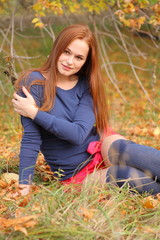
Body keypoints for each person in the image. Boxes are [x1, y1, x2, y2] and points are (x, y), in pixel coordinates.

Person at [12, 24, 160, 196]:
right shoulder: (32, 83)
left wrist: (35, 113)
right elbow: (31, 140)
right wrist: (24, 188)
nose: (70, 61)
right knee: (123, 175)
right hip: (77, 172)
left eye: (79, 57)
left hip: (98, 147)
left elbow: (78, 134)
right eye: (66, 52)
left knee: (124, 149)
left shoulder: (86, 85)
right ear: (57, 48)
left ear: (85, 61)